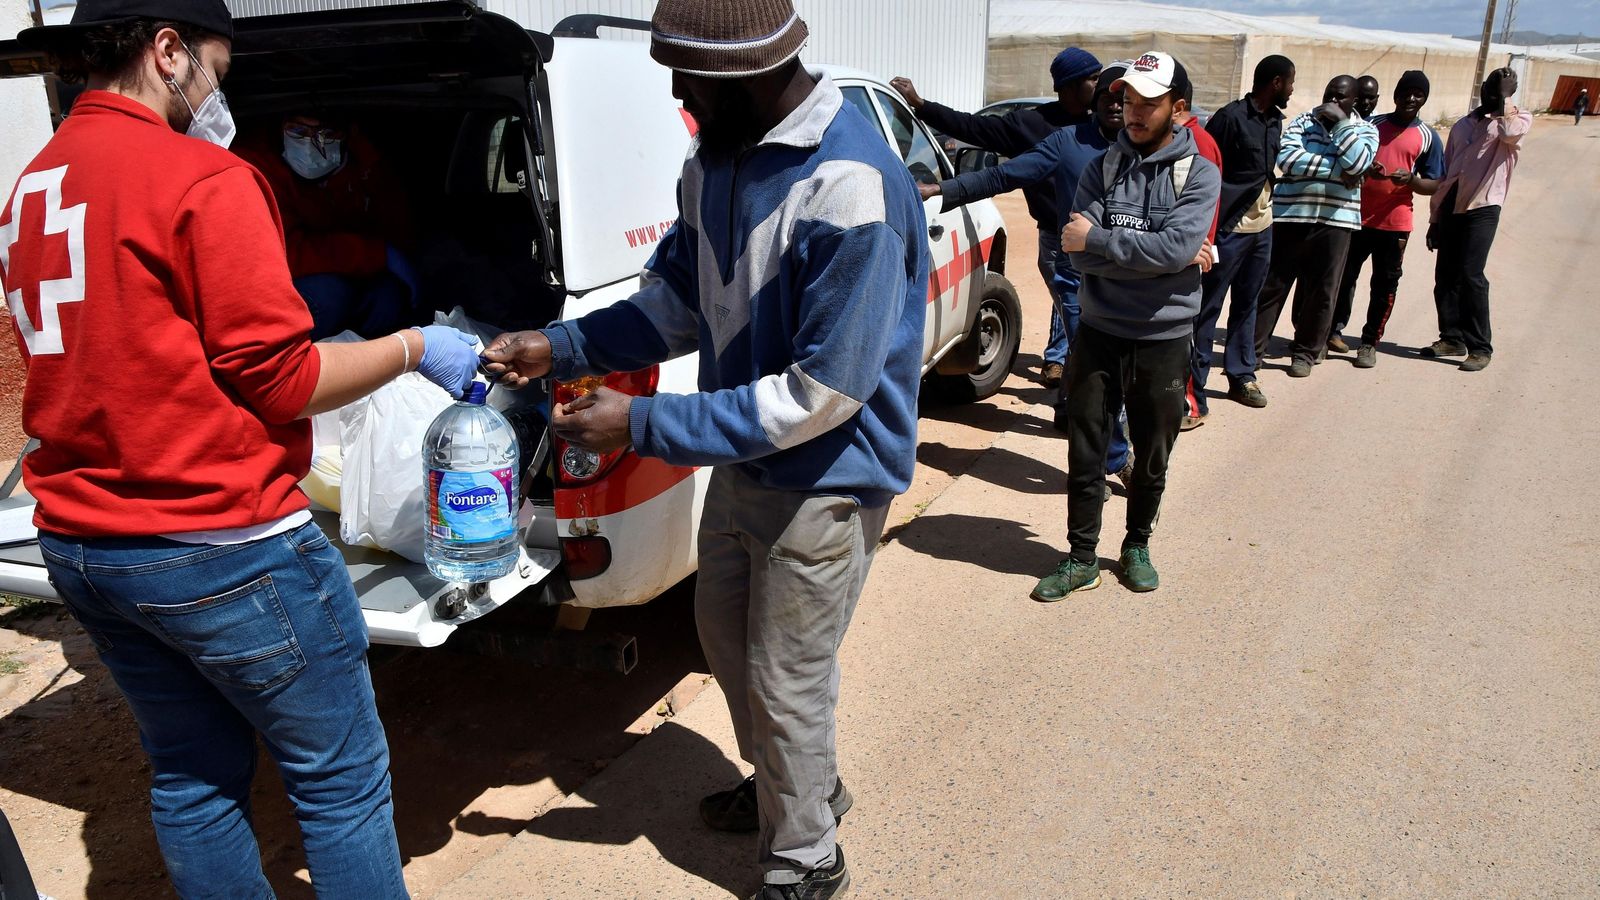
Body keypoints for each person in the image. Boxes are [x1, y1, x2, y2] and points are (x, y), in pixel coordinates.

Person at [1, 0, 482, 896]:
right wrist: (416, 346)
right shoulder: (204, 178)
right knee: (340, 784)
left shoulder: (33, 183)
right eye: (216, 72)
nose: (217, 96)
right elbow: (284, 380)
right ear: (169, 50)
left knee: (192, 778)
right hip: (223, 541)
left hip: (83, 541)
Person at [480, 2, 927, 896]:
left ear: (748, 75)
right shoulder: (715, 161)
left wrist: (644, 424)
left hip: (826, 481)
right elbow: (674, 305)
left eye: (690, 79)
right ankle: (799, 789)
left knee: (786, 678)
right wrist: (558, 348)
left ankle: (807, 857)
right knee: (728, 647)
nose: (680, 95)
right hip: (745, 463)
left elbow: (822, 395)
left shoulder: (850, 186)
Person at [1033, 51, 1220, 600]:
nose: (1134, 111)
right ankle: (1081, 558)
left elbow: (1175, 246)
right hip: (1099, 332)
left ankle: (1137, 545)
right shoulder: (1101, 168)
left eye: (1148, 103)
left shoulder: (1199, 174)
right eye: (1129, 100)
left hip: (1164, 338)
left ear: (1178, 109)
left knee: (1152, 452)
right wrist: (1158, 259)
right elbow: (1076, 254)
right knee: (1086, 449)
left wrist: (1101, 240)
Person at [917, 64, 1135, 490]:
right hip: (1079, 278)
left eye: (1123, 98)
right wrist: (944, 190)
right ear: (1093, 101)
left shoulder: (1148, 149)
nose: (1114, 104)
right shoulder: (1067, 142)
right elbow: (1004, 174)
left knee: (1116, 372)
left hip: (1133, 281)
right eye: (1106, 95)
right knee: (1098, 368)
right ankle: (1109, 458)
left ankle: (1082, 418)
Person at [891, 48, 1100, 387]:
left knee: (1090, 317)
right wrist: (922, 105)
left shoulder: (1104, 124)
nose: (1102, 85)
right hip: (1057, 239)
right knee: (1074, 308)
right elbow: (974, 130)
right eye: (1094, 78)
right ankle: (1071, 379)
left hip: (1105, 241)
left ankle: (1067, 366)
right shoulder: (1033, 125)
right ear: (1071, 85)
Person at [236, 114, 421, 340]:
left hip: (357, 271)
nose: (311, 143)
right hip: (295, 279)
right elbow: (283, 252)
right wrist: (378, 254)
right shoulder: (255, 166)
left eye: (326, 133)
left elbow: (397, 225)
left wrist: (390, 273)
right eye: (298, 131)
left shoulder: (365, 161)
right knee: (328, 294)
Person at [1186, 55, 1293, 420]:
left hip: (1262, 230)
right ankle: (1194, 389)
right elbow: (1207, 172)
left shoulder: (1275, 120)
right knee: (1208, 308)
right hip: (1229, 230)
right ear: (1276, 82)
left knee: (1248, 304)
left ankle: (1241, 376)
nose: (1292, 90)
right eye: (1290, 82)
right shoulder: (1230, 118)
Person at [1253, 75, 1378, 379]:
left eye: (1341, 97)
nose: (1332, 101)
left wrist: (1341, 126)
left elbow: (1358, 163)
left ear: (1353, 101)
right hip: (1291, 216)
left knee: (1322, 291)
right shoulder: (1302, 121)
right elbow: (1287, 160)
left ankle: (1305, 353)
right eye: (1329, 94)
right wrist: (1338, 170)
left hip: (1336, 221)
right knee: (1272, 286)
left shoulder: (1366, 129)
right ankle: (1252, 352)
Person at [1330, 70, 1444, 368]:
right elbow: (1351, 158)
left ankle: (1369, 343)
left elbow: (1434, 182)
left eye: (1418, 94)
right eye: (1406, 92)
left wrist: (1412, 181)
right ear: (1395, 95)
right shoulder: (1372, 125)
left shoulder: (1428, 136)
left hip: (1395, 223)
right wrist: (1366, 168)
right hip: (1357, 216)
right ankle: (1331, 332)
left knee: (1384, 286)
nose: (1411, 98)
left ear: (1424, 99)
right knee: (1343, 277)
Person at [1423, 67, 1532, 372]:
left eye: (1500, 91)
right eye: (1490, 88)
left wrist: (1505, 99)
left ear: (1508, 93)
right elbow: (1447, 174)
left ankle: (1480, 347)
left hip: (1484, 206)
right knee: (1445, 276)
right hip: (1451, 205)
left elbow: (1510, 134)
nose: (1492, 95)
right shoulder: (1462, 125)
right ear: (1482, 88)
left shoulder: (1517, 119)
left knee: (1472, 275)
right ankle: (1451, 338)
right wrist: (1435, 218)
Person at [1172, 71, 1223, 430]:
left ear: (1177, 105)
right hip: (1179, 253)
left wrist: (1197, 249)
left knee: (1189, 332)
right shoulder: (1176, 139)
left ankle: (1191, 404)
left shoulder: (1197, 142)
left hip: (1192, 256)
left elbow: (1204, 209)